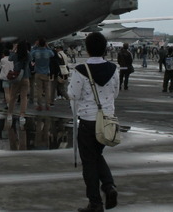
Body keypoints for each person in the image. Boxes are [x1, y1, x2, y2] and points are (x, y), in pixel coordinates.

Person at [68, 32, 119, 212]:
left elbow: (73, 95)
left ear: (87, 49)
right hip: (107, 120)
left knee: (89, 162)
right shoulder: (114, 69)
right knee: (97, 155)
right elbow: (116, 93)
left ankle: (95, 202)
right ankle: (108, 186)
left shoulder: (81, 70)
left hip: (89, 121)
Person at [6, 40, 32, 126]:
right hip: (25, 77)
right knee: (24, 97)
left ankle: (10, 114)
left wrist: (14, 48)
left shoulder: (15, 55)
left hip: (16, 77)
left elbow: (9, 58)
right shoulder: (27, 55)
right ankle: (22, 115)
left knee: (13, 96)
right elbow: (31, 59)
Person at [30, 38, 54, 111]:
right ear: (45, 44)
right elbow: (52, 54)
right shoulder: (48, 52)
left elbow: (31, 53)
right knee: (47, 90)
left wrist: (35, 45)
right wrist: (47, 46)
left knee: (39, 90)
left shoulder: (36, 52)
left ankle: (40, 105)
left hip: (38, 73)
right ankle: (48, 105)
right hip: (46, 72)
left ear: (38, 44)